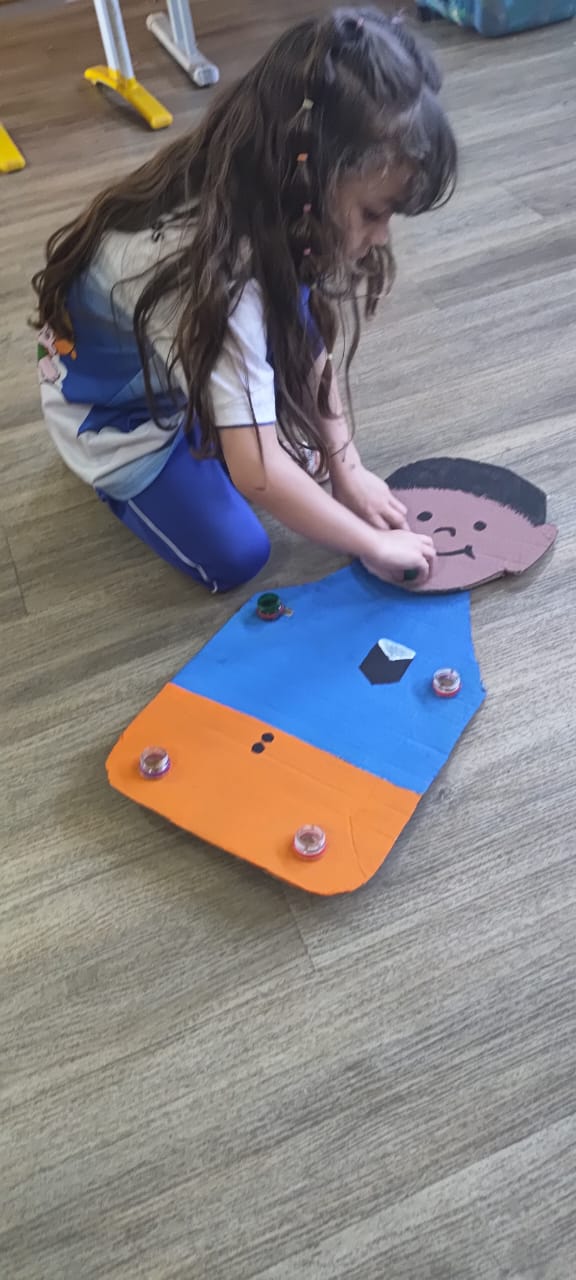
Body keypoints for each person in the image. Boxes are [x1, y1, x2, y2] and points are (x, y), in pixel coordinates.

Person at [33, 6, 456, 594]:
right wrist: (372, 543)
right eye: (373, 212)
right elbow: (258, 475)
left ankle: (220, 419)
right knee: (238, 555)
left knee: (291, 455)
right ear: (310, 176)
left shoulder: (262, 183)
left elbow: (302, 330)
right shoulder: (212, 275)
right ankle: (116, 471)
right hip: (115, 423)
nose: (382, 236)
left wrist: (347, 467)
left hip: (175, 361)